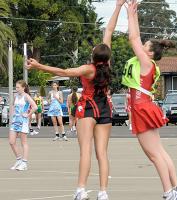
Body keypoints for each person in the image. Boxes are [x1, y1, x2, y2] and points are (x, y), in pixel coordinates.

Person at [26, 1, 125, 199]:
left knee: (85, 151)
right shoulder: (107, 64)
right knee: (102, 154)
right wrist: (118, 7)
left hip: (88, 108)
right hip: (104, 109)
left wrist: (38, 66)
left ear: (94, 54)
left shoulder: (89, 68)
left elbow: (63, 71)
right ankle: (103, 192)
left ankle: (81, 189)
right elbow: (109, 31)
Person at [122, 1, 177, 200]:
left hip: (142, 107)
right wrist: (133, 14)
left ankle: (168, 192)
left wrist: (131, 13)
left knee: (154, 154)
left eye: (145, 46)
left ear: (150, 53)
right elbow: (136, 37)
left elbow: (133, 37)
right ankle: (176, 186)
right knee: (159, 151)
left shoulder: (145, 62)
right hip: (145, 105)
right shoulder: (147, 62)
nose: (141, 46)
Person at [9, 80, 37, 171]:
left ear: (23, 88)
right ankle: (18, 160)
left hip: (23, 122)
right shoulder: (15, 96)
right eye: (16, 87)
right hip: (15, 121)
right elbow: (13, 106)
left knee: (23, 142)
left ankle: (24, 163)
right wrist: (12, 117)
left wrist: (28, 115)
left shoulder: (26, 96)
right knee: (11, 141)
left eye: (18, 87)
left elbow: (35, 107)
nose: (16, 89)